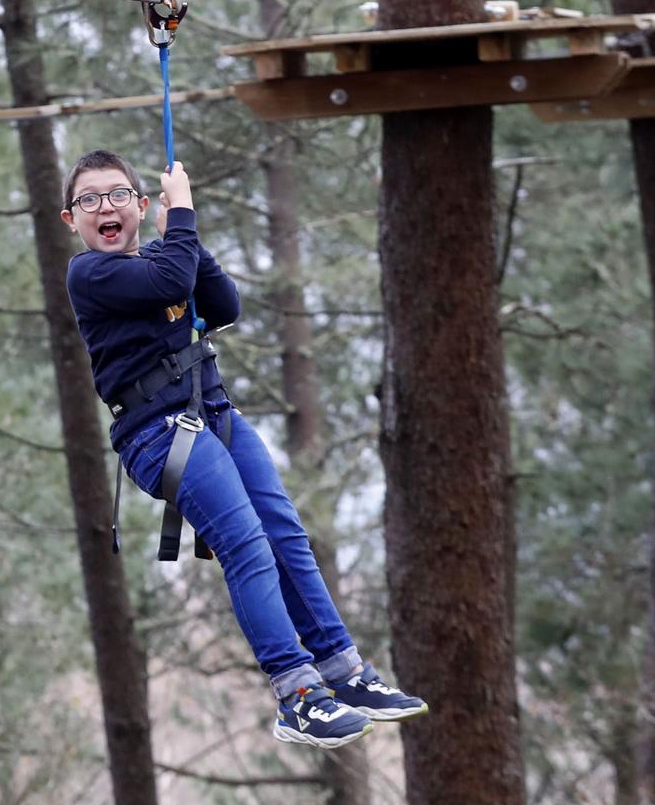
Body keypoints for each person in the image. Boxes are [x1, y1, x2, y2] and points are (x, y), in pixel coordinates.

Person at [62, 149, 427, 750]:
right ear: (70, 220)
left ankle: (344, 672)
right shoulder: (90, 274)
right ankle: (296, 693)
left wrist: (183, 236)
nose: (106, 207)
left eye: (118, 195)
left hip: (212, 414)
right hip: (158, 433)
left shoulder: (162, 257)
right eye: (90, 200)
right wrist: (183, 215)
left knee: (286, 535)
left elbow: (223, 306)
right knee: (246, 545)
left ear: (139, 205)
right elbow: (169, 282)